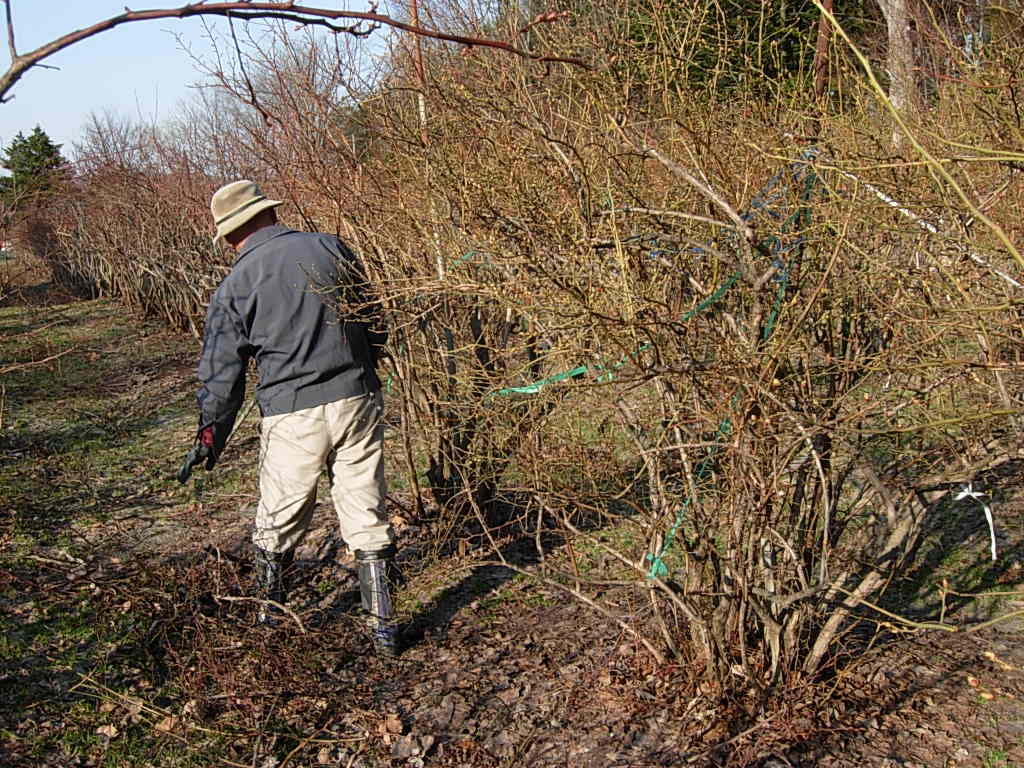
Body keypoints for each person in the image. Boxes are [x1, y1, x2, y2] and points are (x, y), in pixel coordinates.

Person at [179, 180, 399, 656]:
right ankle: (385, 633)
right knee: (366, 510)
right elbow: (374, 320)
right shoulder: (330, 247)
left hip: (291, 411)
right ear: (268, 214)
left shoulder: (235, 285)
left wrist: (210, 434)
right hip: (357, 397)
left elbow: (223, 373)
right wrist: (365, 369)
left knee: (278, 519)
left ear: (233, 232)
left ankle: (268, 629)